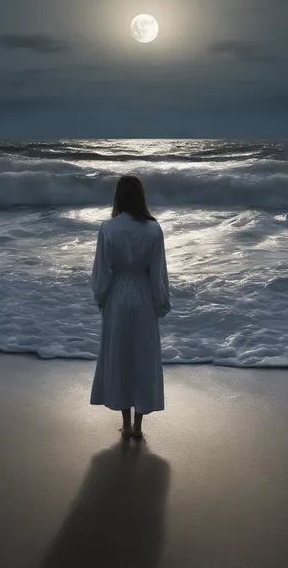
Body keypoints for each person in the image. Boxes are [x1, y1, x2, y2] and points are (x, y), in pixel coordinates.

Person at [89, 174, 171, 439]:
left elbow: (102, 270)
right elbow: (158, 272)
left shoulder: (108, 228)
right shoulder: (153, 228)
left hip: (118, 295)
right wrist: (161, 302)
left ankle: (125, 424)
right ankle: (138, 426)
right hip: (144, 296)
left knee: (121, 358)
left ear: (118, 197)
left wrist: (100, 297)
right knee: (143, 358)